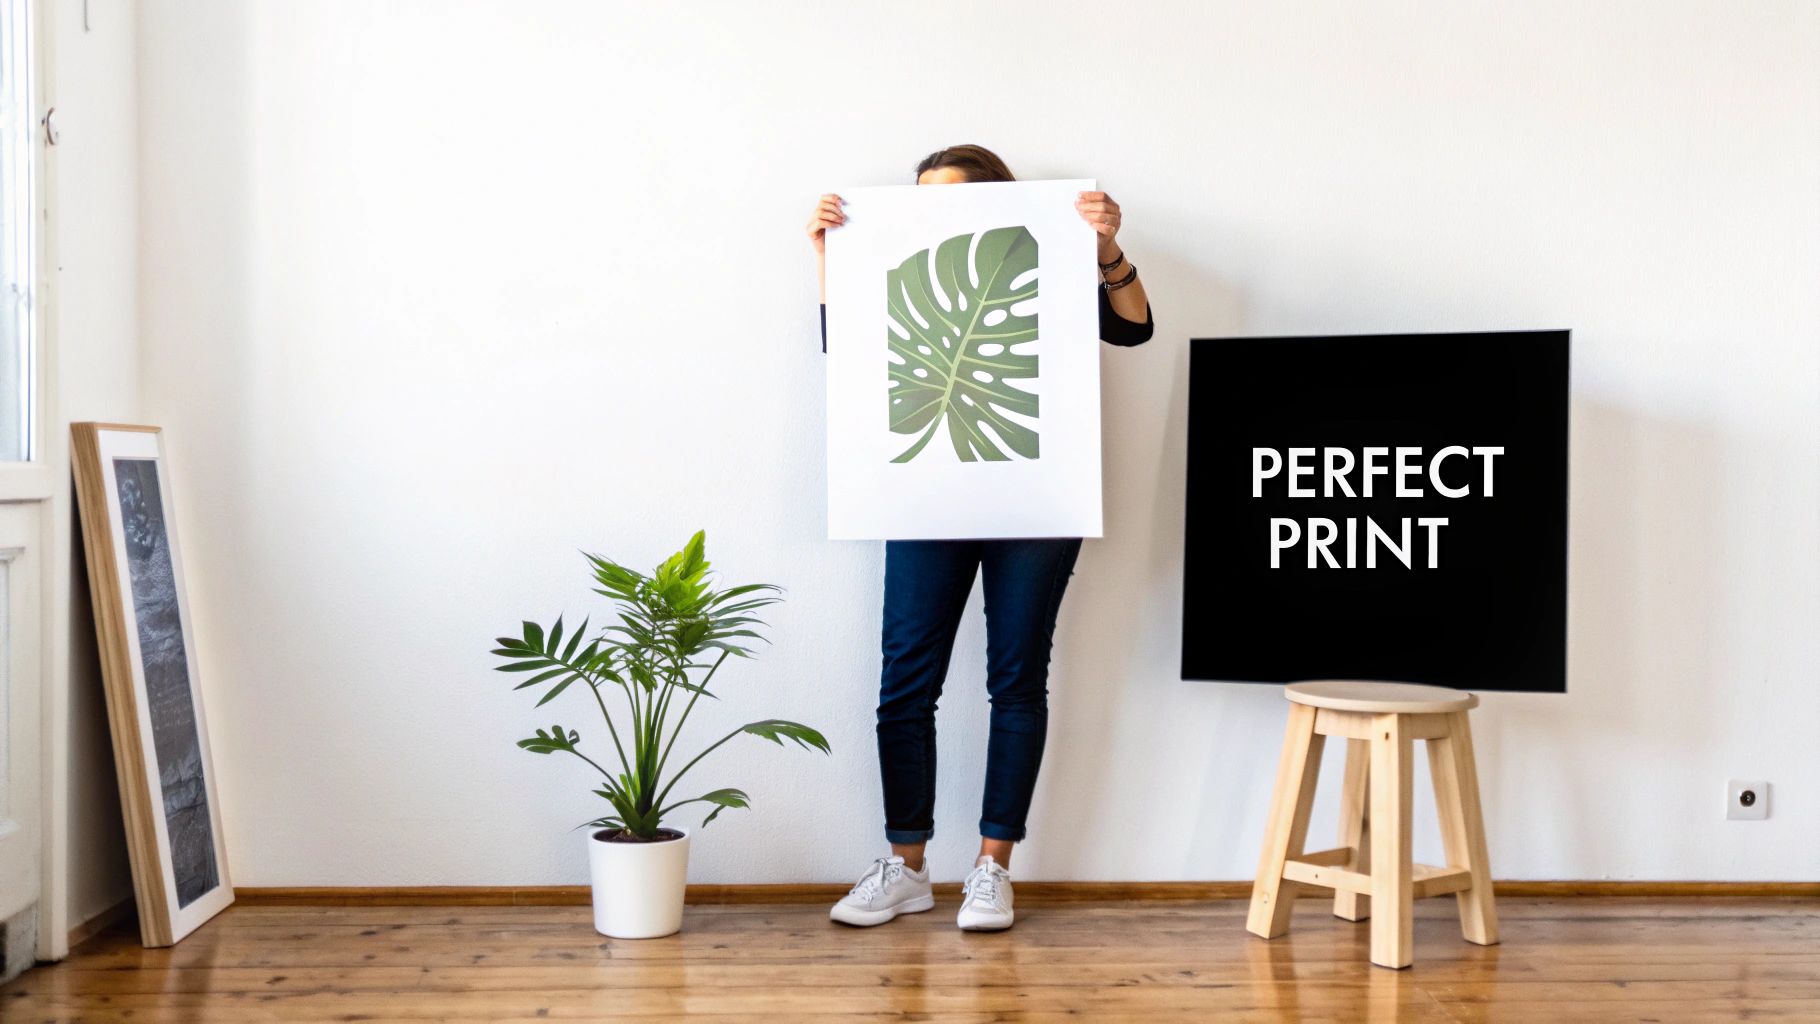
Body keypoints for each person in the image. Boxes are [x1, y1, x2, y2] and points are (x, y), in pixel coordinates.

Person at [806, 145, 1153, 931]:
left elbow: (1134, 330)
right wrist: (832, 257)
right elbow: (852, 357)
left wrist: (1104, 247)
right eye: (922, 199)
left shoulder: (1044, 254)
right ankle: (906, 867)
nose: (934, 213)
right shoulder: (899, 262)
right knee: (905, 683)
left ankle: (993, 870)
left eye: (953, 198)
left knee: (1017, 679)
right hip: (924, 497)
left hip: (1038, 497)